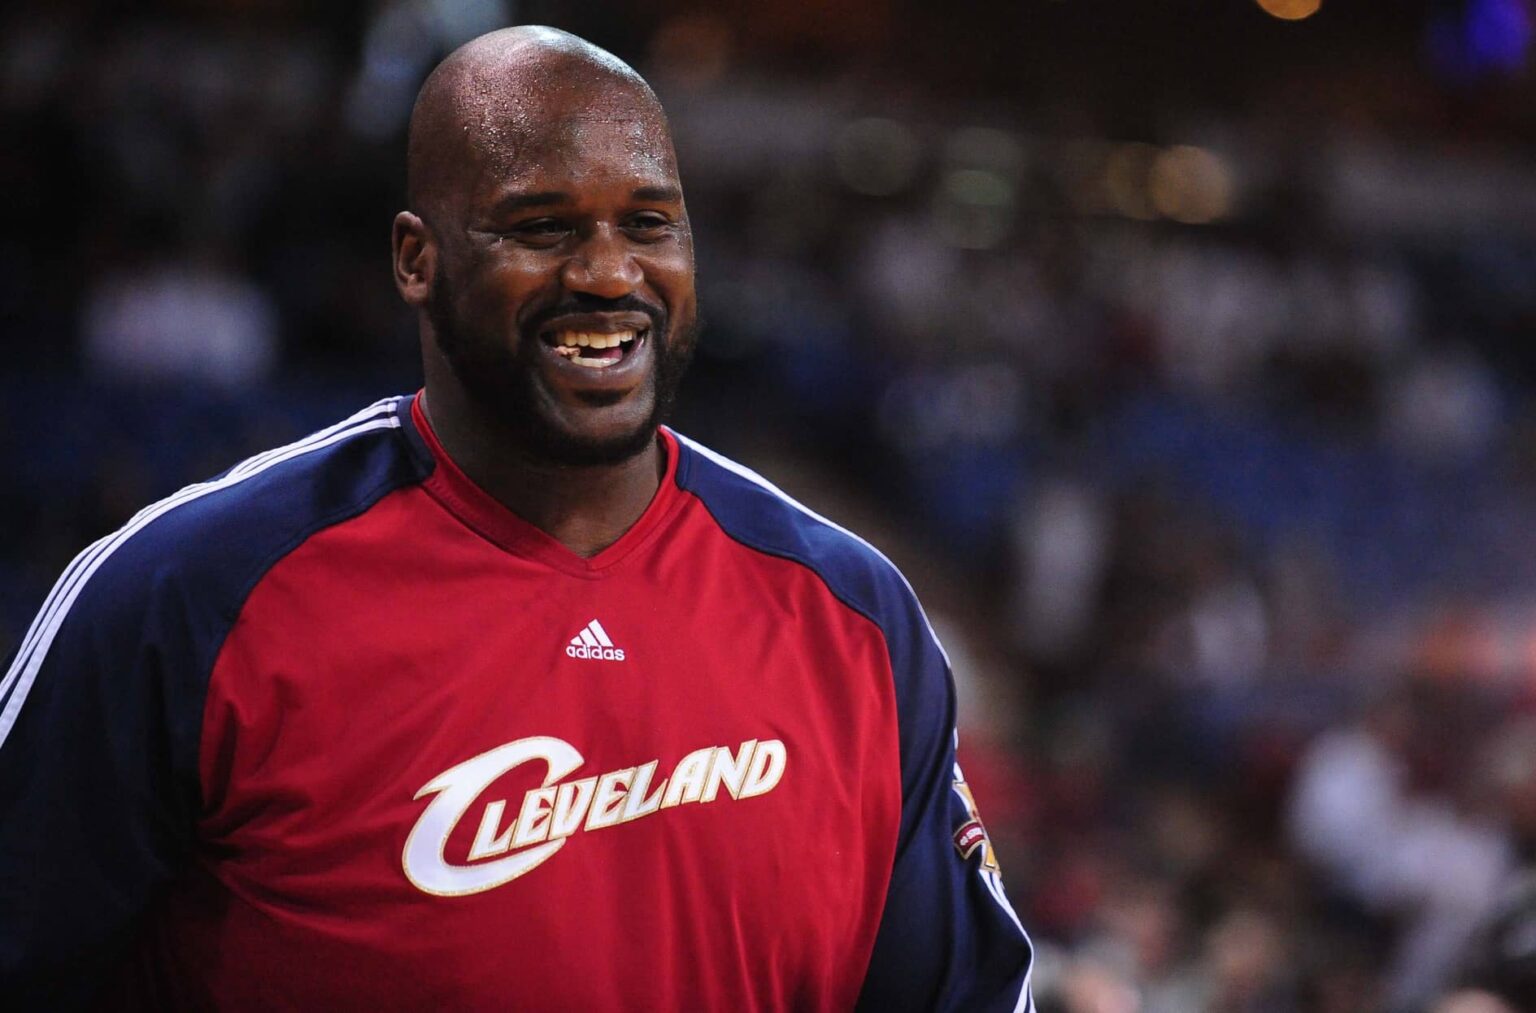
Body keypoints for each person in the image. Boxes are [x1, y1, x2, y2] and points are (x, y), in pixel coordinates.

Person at [0, 26, 1034, 1011]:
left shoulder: (854, 617)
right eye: (543, 228)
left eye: (649, 224)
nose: (609, 274)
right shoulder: (186, 593)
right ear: (417, 259)